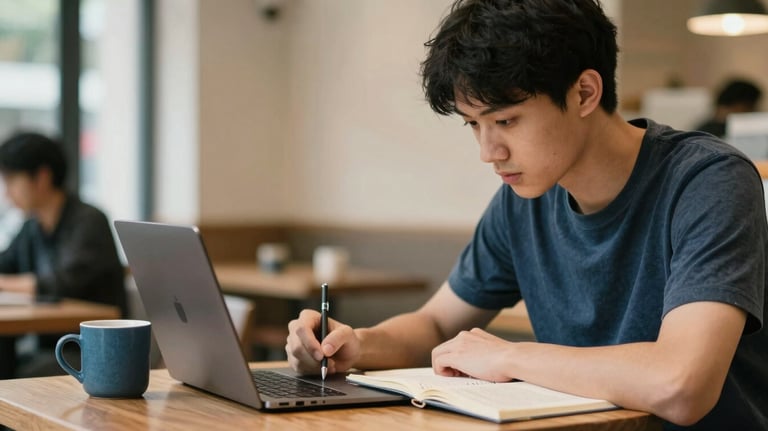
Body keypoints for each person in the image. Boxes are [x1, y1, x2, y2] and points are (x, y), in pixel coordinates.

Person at [285, 1, 767, 429]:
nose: (488, 151)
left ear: (584, 93)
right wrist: (353, 346)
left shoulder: (708, 181)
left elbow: (681, 385)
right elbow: (434, 324)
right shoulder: (523, 201)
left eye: (505, 121)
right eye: (474, 125)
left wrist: (511, 356)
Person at [0, 132, 127, 379]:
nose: (7, 192)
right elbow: (5, 262)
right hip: (51, 346)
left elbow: (61, 283)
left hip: (90, 352)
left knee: (11, 376)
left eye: (12, 180)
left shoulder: (88, 221)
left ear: (42, 177)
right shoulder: (33, 226)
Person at [694, 78, 763, 138]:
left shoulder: (701, 130)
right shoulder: (714, 132)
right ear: (740, 105)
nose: (754, 111)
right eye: (751, 107)